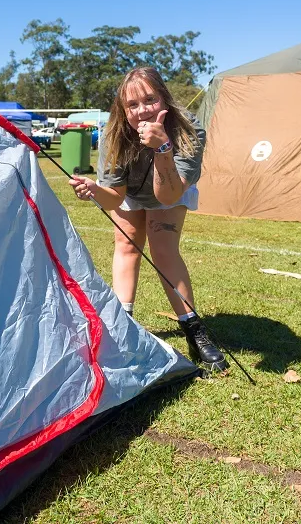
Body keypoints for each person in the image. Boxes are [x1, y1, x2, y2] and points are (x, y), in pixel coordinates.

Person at [68, 67, 228, 373]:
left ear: (163, 98)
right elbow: (114, 197)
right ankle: (122, 326)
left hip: (171, 186)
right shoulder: (113, 134)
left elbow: (168, 196)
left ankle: (194, 331)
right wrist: (93, 192)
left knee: (163, 250)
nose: (142, 110)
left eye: (150, 99)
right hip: (130, 194)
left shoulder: (188, 130)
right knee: (126, 247)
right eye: (132, 105)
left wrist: (163, 147)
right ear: (122, 109)